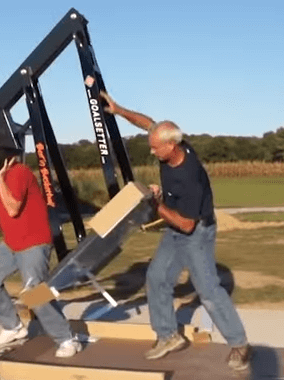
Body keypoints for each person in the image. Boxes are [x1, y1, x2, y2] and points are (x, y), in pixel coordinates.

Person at [100, 91, 251, 371]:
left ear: (171, 146)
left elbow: (187, 225)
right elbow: (148, 123)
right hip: (175, 228)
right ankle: (168, 336)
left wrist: (155, 205)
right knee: (156, 277)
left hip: (196, 232)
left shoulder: (188, 176)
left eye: (156, 148)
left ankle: (240, 344)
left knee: (207, 290)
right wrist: (118, 110)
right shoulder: (172, 144)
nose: (152, 151)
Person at [0, 132, 81, 358]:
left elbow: (13, 208)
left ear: (0, 156)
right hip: (11, 244)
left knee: (34, 293)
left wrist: (1, 179)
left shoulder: (19, 173)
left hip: (34, 242)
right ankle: (13, 327)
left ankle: (67, 339)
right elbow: (3, 212)